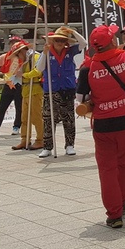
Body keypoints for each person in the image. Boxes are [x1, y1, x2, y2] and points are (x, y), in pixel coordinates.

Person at [79, 25, 125, 228]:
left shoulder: (87, 67)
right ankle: (123, 201)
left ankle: (114, 214)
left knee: (107, 169)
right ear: (113, 41)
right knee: (124, 164)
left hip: (103, 124)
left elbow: (80, 100)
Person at [37, 27, 80, 158]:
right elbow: (39, 68)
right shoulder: (47, 53)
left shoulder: (70, 52)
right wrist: (44, 53)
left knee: (69, 119)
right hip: (51, 90)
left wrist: (73, 33)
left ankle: (70, 145)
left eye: (62, 40)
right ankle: (47, 147)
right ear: (52, 42)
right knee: (49, 120)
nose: (59, 43)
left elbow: (83, 43)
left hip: (67, 89)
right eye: (56, 40)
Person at [0, 37, 26, 137]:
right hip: (9, 83)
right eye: (12, 43)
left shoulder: (27, 58)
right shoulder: (6, 57)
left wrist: (23, 74)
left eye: (16, 43)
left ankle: (17, 126)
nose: (14, 45)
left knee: (19, 107)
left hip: (21, 84)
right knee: (2, 107)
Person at [10, 41, 44, 151]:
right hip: (25, 91)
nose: (17, 56)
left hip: (35, 90)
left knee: (36, 117)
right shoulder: (25, 60)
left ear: (23, 50)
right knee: (24, 118)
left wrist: (24, 75)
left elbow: (38, 71)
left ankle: (41, 140)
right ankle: (25, 140)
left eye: (17, 53)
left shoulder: (35, 56)